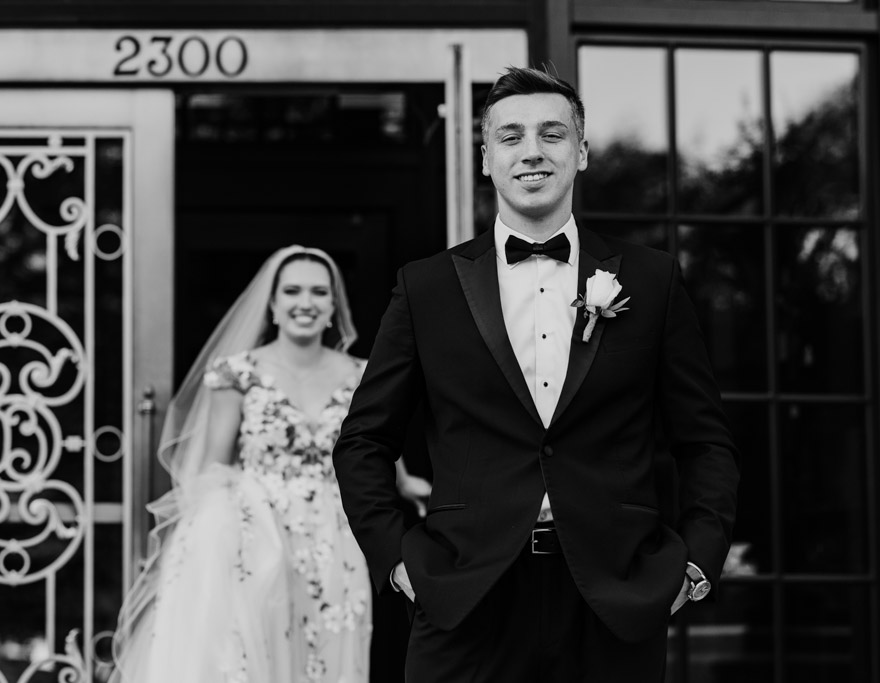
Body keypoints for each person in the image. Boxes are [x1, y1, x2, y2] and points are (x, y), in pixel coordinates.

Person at [332, 67, 740, 682]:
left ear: (580, 153)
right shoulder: (427, 286)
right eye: (511, 135)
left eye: (552, 134)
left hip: (614, 598)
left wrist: (697, 563)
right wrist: (396, 560)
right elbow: (363, 441)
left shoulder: (652, 281)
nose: (532, 151)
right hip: (465, 597)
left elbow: (705, 441)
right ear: (486, 157)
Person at [111, 245, 429, 683]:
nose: (306, 302)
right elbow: (210, 470)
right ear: (273, 304)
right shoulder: (236, 374)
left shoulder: (361, 374)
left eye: (319, 291)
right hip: (257, 534)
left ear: (334, 304)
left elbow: (372, 450)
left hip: (337, 534)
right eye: (292, 291)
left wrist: (409, 484)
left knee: (331, 651)